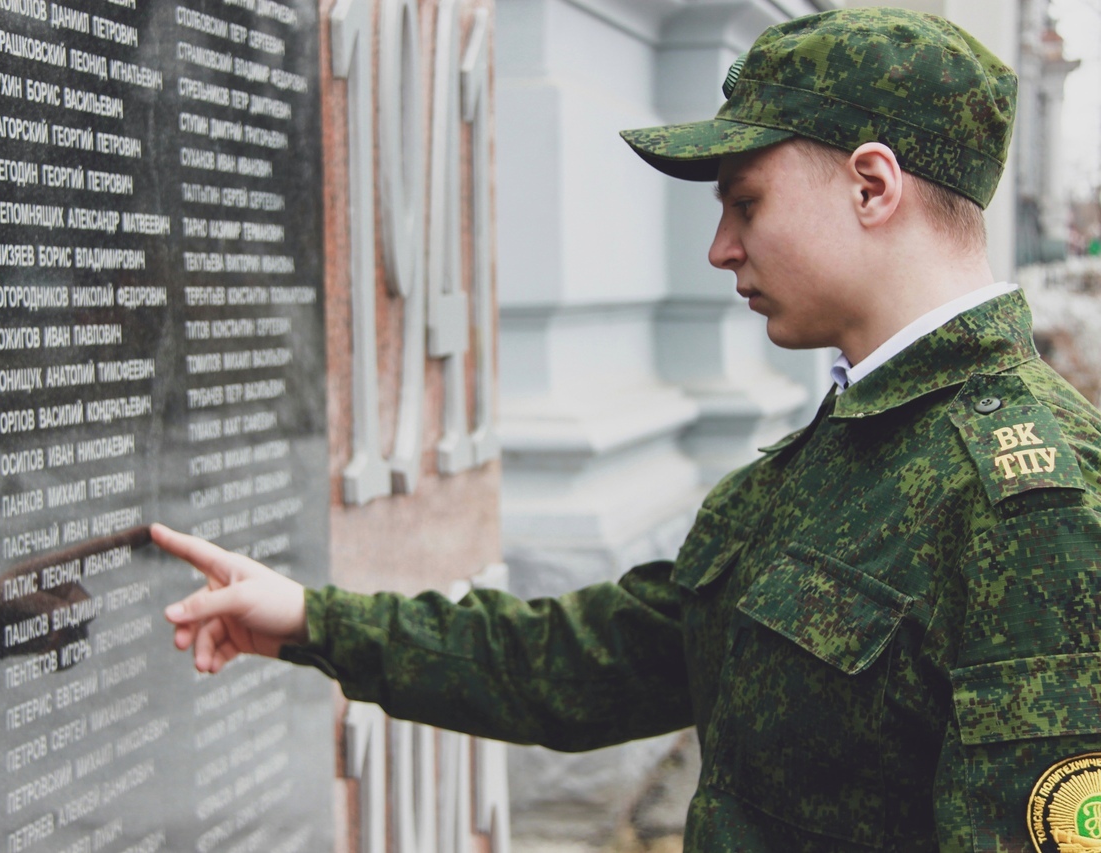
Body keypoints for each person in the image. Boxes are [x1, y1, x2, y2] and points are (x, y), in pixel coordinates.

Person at [153, 8, 1101, 851]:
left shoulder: (1032, 504)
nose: (721, 246)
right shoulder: (846, 447)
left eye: (746, 201)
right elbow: (595, 660)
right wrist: (317, 621)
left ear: (871, 186)